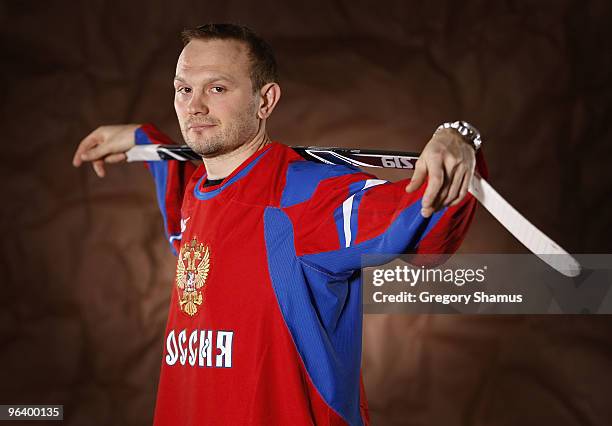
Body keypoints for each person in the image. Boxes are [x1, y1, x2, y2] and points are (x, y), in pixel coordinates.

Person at [72, 23, 487, 426]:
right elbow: (189, 185)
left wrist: (458, 138)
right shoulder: (197, 193)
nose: (194, 106)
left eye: (217, 88)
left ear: (265, 101)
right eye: (184, 89)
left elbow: (430, 226)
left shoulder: (309, 198)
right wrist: (141, 142)